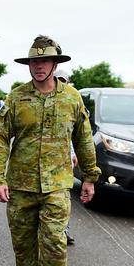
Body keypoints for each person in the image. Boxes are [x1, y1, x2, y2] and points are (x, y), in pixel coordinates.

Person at [0, 35, 101, 266]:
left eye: (44, 61)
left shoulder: (71, 98)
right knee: (24, 247)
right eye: (34, 62)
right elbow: (0, 140)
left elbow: (84, 139)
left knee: (53, 246)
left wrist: (90, 176)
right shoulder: (15, 98)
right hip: (21, 187)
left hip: (56, 187)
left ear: (55, 64)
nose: (38, 66)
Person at [55, 69, 77, 245]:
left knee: (64, 196)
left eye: (64, 80)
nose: (60, 83)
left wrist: (73, 154)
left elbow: (73, 134)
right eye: (58, 79)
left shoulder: (72, 100)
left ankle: (65, 229)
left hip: (65, 159)